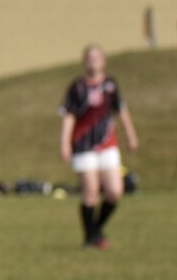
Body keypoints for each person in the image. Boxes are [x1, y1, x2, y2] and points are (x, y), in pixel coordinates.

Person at [59, 44, 139, 249]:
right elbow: (69, 116)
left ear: (104, 61)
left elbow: (121, 110)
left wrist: (131, 135)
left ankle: (94, 231)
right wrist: (65, 144)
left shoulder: (111, 85)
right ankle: (91, 237)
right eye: (89, 57)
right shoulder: (77, 87)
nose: (93, 60)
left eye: (97, 57)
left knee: (114, 191)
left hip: (107, 144)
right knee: (91, 192)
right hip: (83, 145)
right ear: (84, 61)